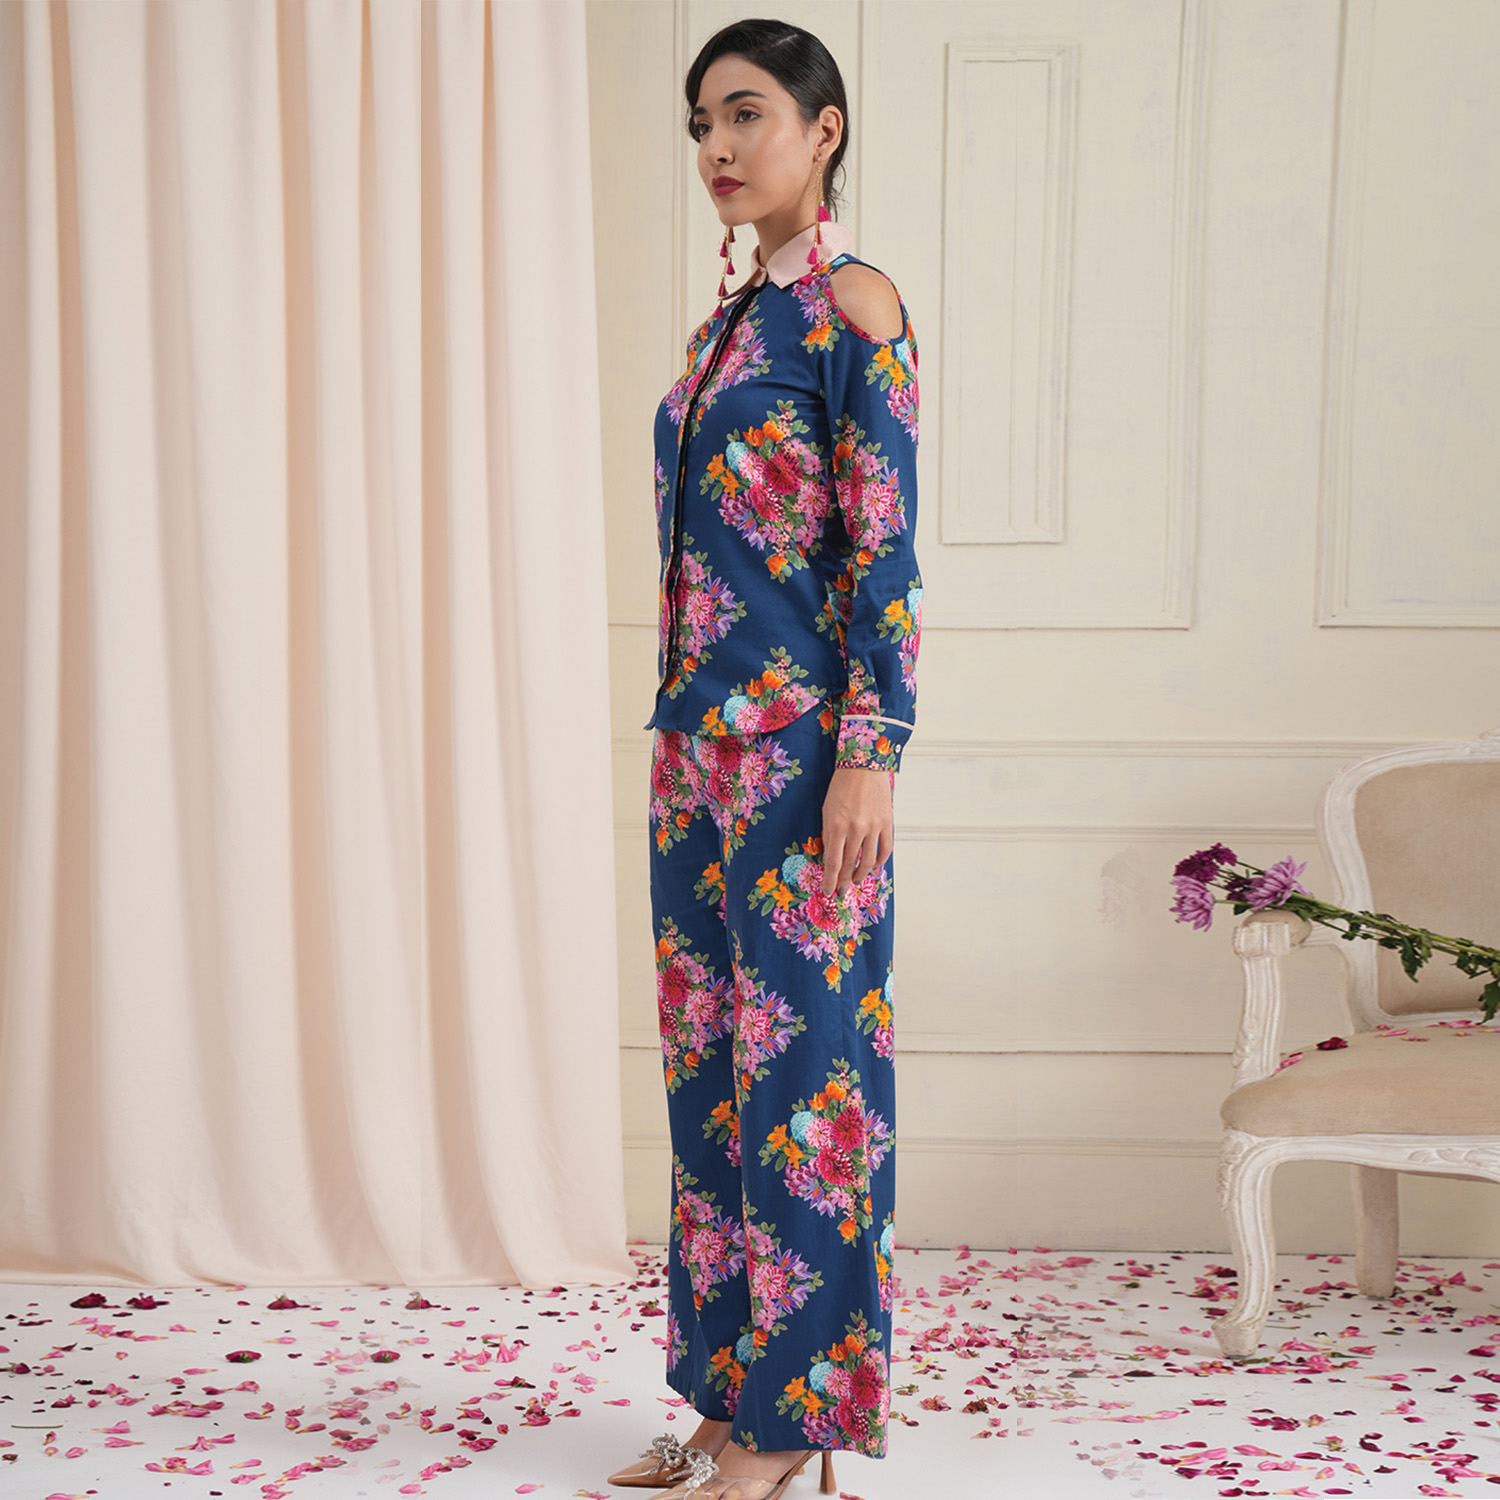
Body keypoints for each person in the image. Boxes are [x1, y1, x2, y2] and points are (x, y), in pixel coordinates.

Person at [607, 17, 922, 1500]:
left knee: (808, 1089)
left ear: (822, 128)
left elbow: (883, 550)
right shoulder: (725, 328)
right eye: (700, 126)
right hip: (692, 751)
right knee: (713, 1092)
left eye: (745, 114)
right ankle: (730, 1396)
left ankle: (802, 1420)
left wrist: (874, 752)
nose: (718, 148)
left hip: (803, 753)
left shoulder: (852, 308)